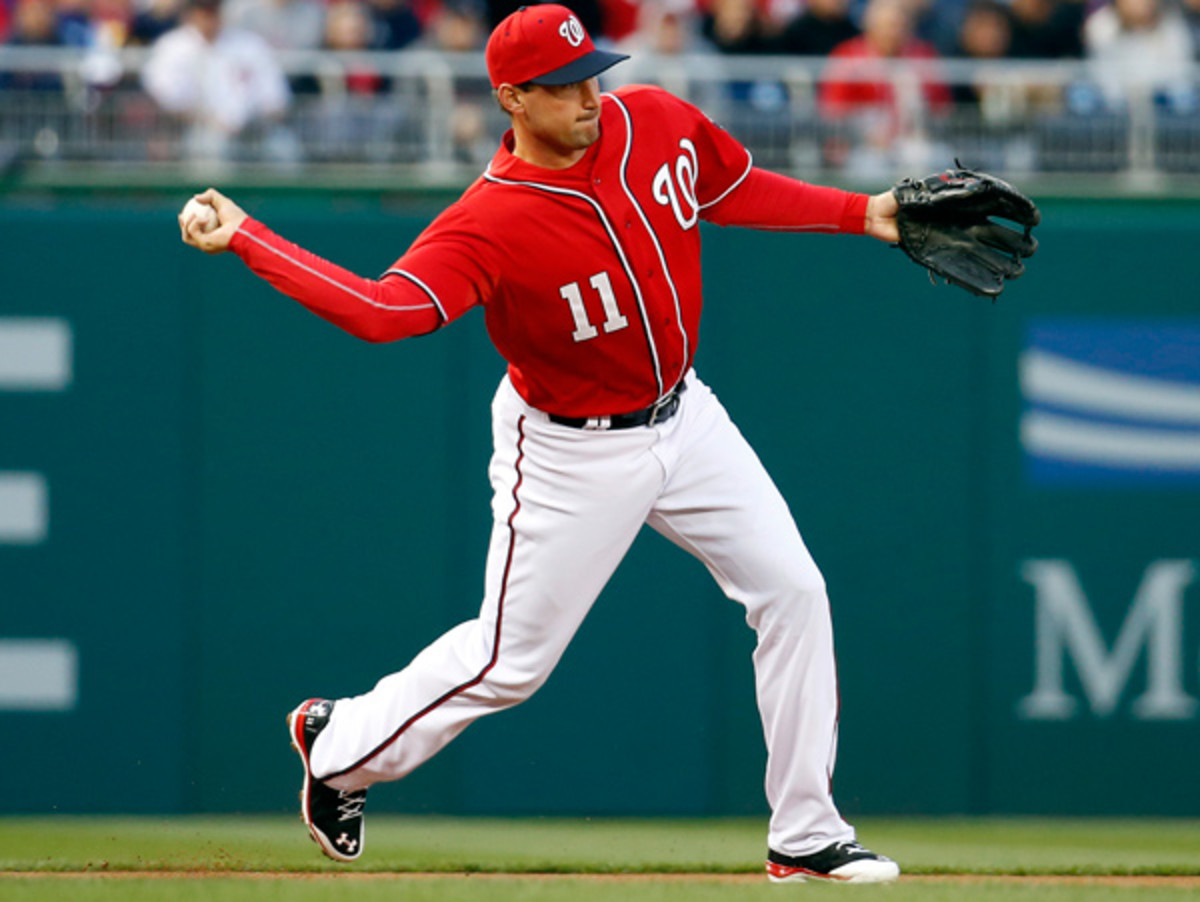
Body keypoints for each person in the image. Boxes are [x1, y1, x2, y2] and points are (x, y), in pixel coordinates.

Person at [179, 3, 902, 884]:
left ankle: (804, 834)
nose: (589, 94)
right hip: (569, 450)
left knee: (795, 591)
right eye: (563, 87)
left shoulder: (654, 122)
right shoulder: (489, 219)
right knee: (507, 663)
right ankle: (338, 746)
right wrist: (253, 239)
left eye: (591, 71)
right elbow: (385, 312)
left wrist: (866, 212)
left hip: (686, 413)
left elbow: (733, 185)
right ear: (512, 99)